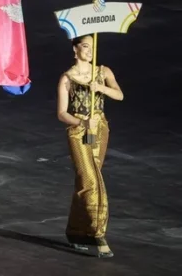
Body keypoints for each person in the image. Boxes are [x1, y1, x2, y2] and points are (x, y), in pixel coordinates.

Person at [56, 34, 124, 258]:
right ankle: (97, 233)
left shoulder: (103, 72)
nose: (90, 51)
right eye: (85, 46)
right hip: (79, 132)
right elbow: (62, 113)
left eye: (92, 47)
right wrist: (82, 122)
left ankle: (76, 232)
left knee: (85, 181)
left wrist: (101, 88)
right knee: (91, 181)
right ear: (75, 49)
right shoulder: (67, 78)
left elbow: (119, 95)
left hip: (99, 130)